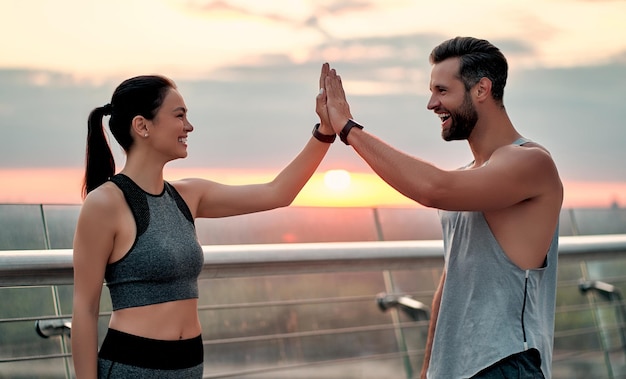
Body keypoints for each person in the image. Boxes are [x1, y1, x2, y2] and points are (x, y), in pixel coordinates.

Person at [71, 64, 336, 378]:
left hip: (189, 367)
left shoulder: (188, 195)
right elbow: (85, 311)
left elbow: (277, 193)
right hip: (134, 367)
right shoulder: (104, 203)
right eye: (179, 115)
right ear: (142, 126)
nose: (189, 126)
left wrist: (326, 131)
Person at [321, 36, 563, 378]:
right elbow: (452, 280)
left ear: (481, 89)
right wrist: (428, 368)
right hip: (454, 369)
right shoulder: (470, 177)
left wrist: (348, 129)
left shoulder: (531, 163)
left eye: (442, 90)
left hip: (505, 363)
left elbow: (433, 188)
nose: (432, 103)